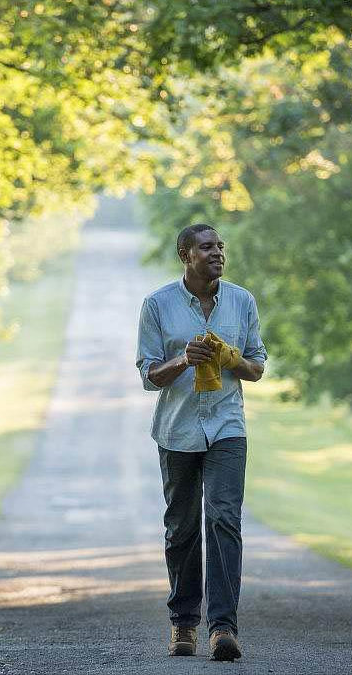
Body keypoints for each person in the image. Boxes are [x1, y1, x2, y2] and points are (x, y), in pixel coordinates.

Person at [135, 223, 267, 661]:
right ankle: (184, 625)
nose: (218, 253)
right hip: (177, 430)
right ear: (185, 255)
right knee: (182, 528)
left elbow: (257, 367)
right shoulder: (158, 305)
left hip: (228, 427)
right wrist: (183, 359)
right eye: (207, 247)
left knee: (224, 520)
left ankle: (223, 629)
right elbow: (149, 375)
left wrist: (233, 358)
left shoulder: (242, 301)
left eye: (220, 246)